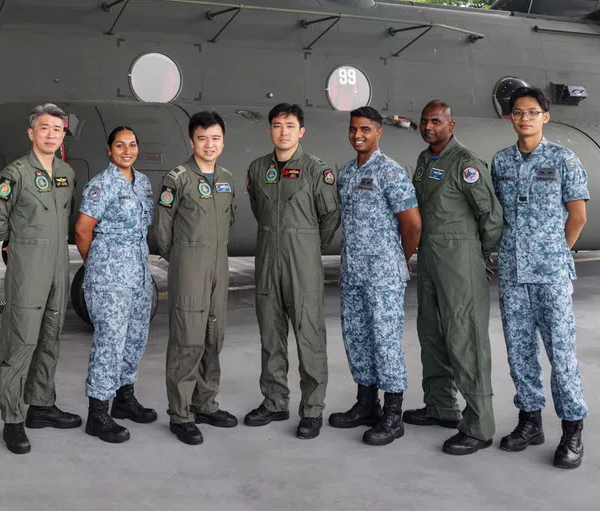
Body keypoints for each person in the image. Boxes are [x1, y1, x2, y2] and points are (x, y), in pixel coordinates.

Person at [492, 86, 590, 469]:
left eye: (532, 112)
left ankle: (572, 429)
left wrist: (555, 253)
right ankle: (530, 421)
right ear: (511, 118)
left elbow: (577, 216)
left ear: (545, 117)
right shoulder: (501, 162)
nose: (525, 118)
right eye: (518, 112)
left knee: (561, 354)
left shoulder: (564, 159)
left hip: (550, 275)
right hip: (513, 274)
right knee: (519, 352)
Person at [404, 100, 504, 455]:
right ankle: (441, 406)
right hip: (430, 258)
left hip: (459, 260)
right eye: (424, 120)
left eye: (436, 121)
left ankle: (479, 426)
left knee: (466, 339)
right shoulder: (424, 160)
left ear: (452, 124)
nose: (428, 126)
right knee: (431, 333)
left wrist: (476, 256)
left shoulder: (467, 164)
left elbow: (491, 217)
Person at [0, 103, 83, 455]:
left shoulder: (66, 173)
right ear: (31, 133)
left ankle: (41, 405)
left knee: (50, 338)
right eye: (45, 128)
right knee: (20, 342)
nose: (52, 135)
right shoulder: (15, 174)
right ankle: (13, 420)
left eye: (58, 130)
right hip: (29, 270)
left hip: (58, 266)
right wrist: (22, 243)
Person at [243, 103, 341, 439]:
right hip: (268, 262)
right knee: (270, 336)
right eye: (276, 125)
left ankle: (312, 410)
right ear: (270, 130)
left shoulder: (316, 170)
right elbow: (260, 209)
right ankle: (274, 400)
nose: (283, 131)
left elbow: (329, 219)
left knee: (309, 337)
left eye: (289, 125)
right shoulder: (258, 169)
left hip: (303, 266)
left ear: (301, 131)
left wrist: (306, 245)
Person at [327, 105, 421, 446]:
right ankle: (366, 404)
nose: (357, 135)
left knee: (385, 343)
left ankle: (393, 416)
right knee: (357, 340)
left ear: (378, 132)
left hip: (383, 276)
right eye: (353, 129)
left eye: (365, 129)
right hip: (352, 273)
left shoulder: (391, 172)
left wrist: (398, 259)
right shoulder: (348, 173)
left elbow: (412, 225)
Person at [151, 110, 238, 445]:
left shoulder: (227, 178)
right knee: (187, 339)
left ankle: (206, 403)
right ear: (192, 141)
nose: (209, 144)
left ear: (223, 141)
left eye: (215, 138)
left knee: (214, 336)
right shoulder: (178, 178)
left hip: (219, 264)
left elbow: (229, 222)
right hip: (189, 265)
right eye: (202, 138)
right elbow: (163, 230)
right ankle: (181, 413)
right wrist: (185, 260)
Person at [74, 126, 158, 444]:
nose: (127, 150)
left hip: (138, 275)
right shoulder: (102, 185)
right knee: (109, 344)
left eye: (132, 145)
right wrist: (93, 263)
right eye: (120, 145)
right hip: (109, 279)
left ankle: (124, 399)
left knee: (135, 339)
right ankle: (98, 414)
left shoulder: (143, 183)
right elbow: (83, 230)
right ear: (109, 150)